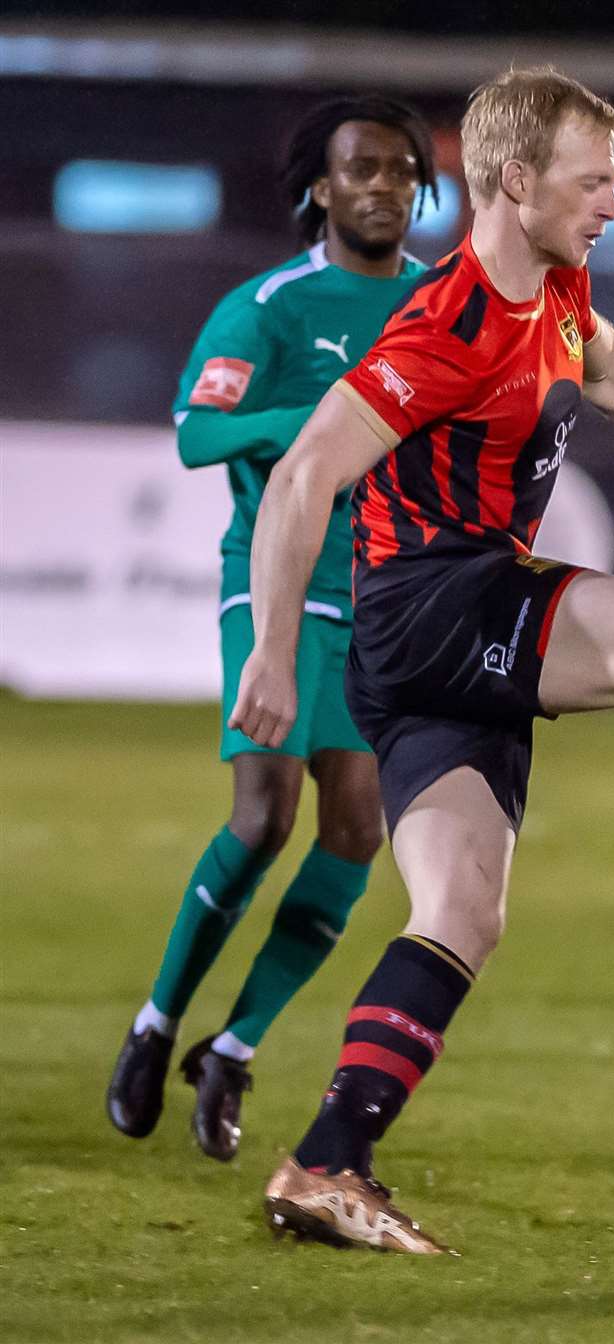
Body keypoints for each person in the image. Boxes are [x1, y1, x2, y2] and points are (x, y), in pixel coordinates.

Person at [231, 67, 614, 1254]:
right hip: (435, 603)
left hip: (434, 640)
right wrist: (268, 649)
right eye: (596, 182)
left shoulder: (558, 288)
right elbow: (309, 473)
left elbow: (608, 357)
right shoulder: (444, 328)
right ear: (514, 182)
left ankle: (325, 1165)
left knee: (460, 913)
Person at [106, 96, 439, 1161]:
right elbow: (199, 433)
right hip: (280, 588)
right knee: (265, 812)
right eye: (361, 169)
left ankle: (235, 1047)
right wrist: (316, 421)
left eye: (400, 170)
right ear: (320, 189)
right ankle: (156, 1024)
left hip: (392, 598)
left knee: (356, 832)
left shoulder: (443, 304)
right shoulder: (271, 306)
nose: (382, 186)